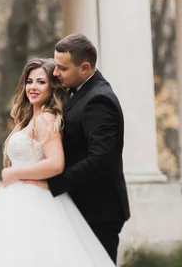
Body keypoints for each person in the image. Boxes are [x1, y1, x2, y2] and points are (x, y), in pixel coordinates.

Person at [0, 58, 115, 267]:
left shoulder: (46, 119)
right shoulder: (29, 119)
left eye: (41, 82)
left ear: (52, 86)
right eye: (30, 81)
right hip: (15, 199)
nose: (33, 87)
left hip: (37, 200)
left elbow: (56, 163)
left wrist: (15, 173)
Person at [46, 33, 130, 262]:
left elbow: (101, 159)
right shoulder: (79, 92)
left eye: (62, 68)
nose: (55, 73)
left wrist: (52, 184)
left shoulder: (98, 100)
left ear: (84, 68)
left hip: (98, 210)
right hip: (82, 205)